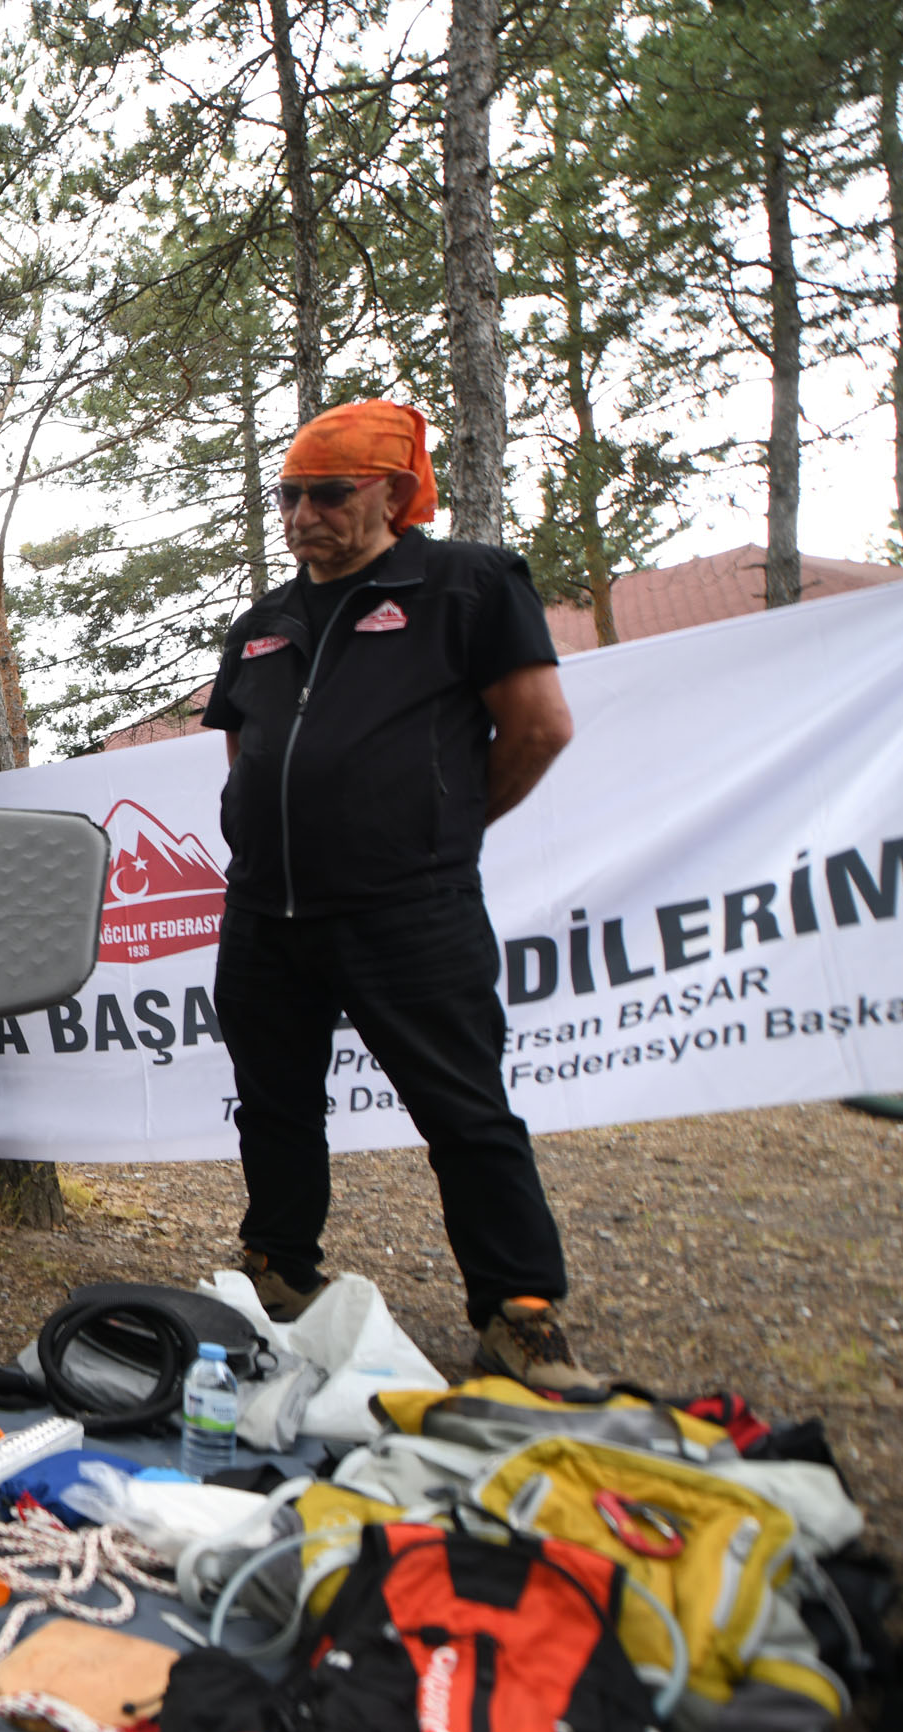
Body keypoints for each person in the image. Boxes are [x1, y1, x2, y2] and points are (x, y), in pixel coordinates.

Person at [199, 400, 589, 1393]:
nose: (302, 514)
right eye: (289, 495)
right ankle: (279, 1269)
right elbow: (247, 760)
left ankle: (518, 1309)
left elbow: (539, 729)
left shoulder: (467, 583)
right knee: (274, 1107)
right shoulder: (263, 624)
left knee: (464, 1109)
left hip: (407, 909)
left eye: (328, 494)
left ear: (394, 489)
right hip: (265, 914)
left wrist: (438, 833)